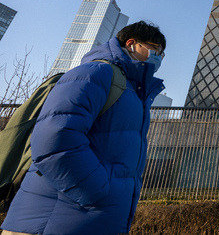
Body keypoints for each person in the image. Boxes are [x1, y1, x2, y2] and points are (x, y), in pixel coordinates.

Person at [1, 21, 166, 235]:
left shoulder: (134, 92)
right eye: (154, 50)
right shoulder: (97, 72)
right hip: (52, 220)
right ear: (131, 44)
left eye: (161, 55)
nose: (158, 58)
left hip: (86, 220)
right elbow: (55, 136)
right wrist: (96, 191)